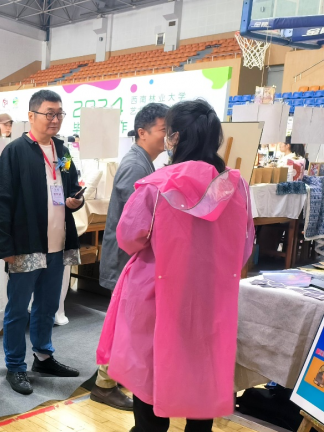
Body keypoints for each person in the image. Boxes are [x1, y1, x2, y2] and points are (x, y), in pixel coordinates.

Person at [97, 99, 254, 432]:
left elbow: (129, 238)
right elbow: (243, 248)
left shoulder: (157, 185)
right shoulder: (236, 186)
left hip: (158, 296)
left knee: (152, 377)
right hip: (211, 299)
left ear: (175, 138)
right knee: (203, 374)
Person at [0, 89, 84, 395]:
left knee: (48, 305)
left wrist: (76, 201)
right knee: (18, 309)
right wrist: (5, 247)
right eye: (49, 113)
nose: (55, 119)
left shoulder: (63, 150)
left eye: (59, 114)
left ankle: (43, 357)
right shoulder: (15, 151)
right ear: (31, 116)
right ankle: (15, 365)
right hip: (26, 244)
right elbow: (1, 202)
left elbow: (72, 186)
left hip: (58, 243)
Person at [93, 103, 168, 411]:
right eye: (163, 130)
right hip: (126, 258)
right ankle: (104, 384)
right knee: (123, 324)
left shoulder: (144, 162)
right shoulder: (136, 165)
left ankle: (113, 376)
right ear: (142, 132)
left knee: (125, 323)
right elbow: (134, 222)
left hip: (129, 257)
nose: (168, 136)